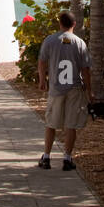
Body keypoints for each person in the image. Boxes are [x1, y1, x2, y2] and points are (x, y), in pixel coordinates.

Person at [37, 11, 92, 171]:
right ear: (74, 24)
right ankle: (67, 158)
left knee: (51, 123)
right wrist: (89, 91)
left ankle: (46, 157)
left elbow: (41, 62)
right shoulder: (79, 43)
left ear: (60, 23)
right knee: (71, 124)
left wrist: (42, 80)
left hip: (56, 88)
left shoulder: (50, 40)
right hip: (74, 88)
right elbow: (85, 69)